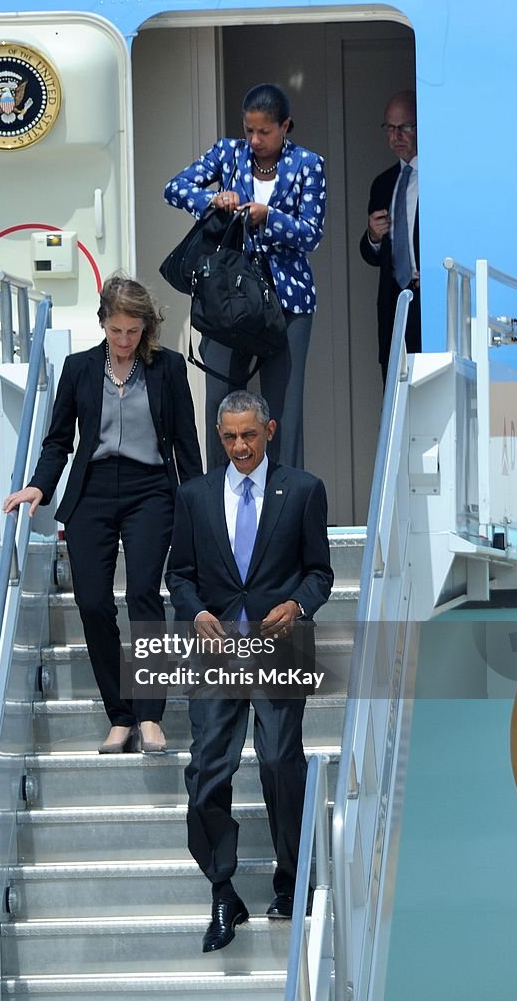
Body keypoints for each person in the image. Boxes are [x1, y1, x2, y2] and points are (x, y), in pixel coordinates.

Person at [3, 275, 202, 754]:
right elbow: (58, 441)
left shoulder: (167, 368)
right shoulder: (79, 369)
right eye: (116, 331)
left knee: (142, 597)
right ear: (103, 324)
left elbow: (185, 442)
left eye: (133, 331)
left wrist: (198, 506)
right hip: (91, 492)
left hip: (150, 490)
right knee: (92, 602)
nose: (125, 340)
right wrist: (38, 486)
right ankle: (121, 715)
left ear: (146, 328)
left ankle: (151, 715)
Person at [165, 390, 333, 951]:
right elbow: (180, 575)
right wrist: (196, 612)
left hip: (279, 643)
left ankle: (291, 877)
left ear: (270, 431)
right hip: (215, 650)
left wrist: (298, 606)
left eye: (250, 435)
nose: (240, 445)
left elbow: (320, 572)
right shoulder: (194, 496)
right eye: (231, 436)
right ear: (220, 436)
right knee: (207, 772)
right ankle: (222, 890)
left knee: (283, 762)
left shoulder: (304, 491)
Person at [164, 83, 327, 472]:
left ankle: (286, 499)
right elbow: (174, 188)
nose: (255, 140)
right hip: (228, 296)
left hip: (288, 300)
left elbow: (312, 233)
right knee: (220, 397)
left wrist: (269, 216)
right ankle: (220, 495)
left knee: (283, 405)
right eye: (249, 129)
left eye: (265, 131)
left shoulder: (308, 163)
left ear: (285, 126)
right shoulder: (228, 153)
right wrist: (213, 200)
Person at [360, 89, 421, 384]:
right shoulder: (383, 183)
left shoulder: (438, 177)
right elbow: (371, 254)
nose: (396, 135)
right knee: (395, 401)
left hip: (429, 304)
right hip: (393, 308)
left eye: (405, 127)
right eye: (390, 128)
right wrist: (372, 235)